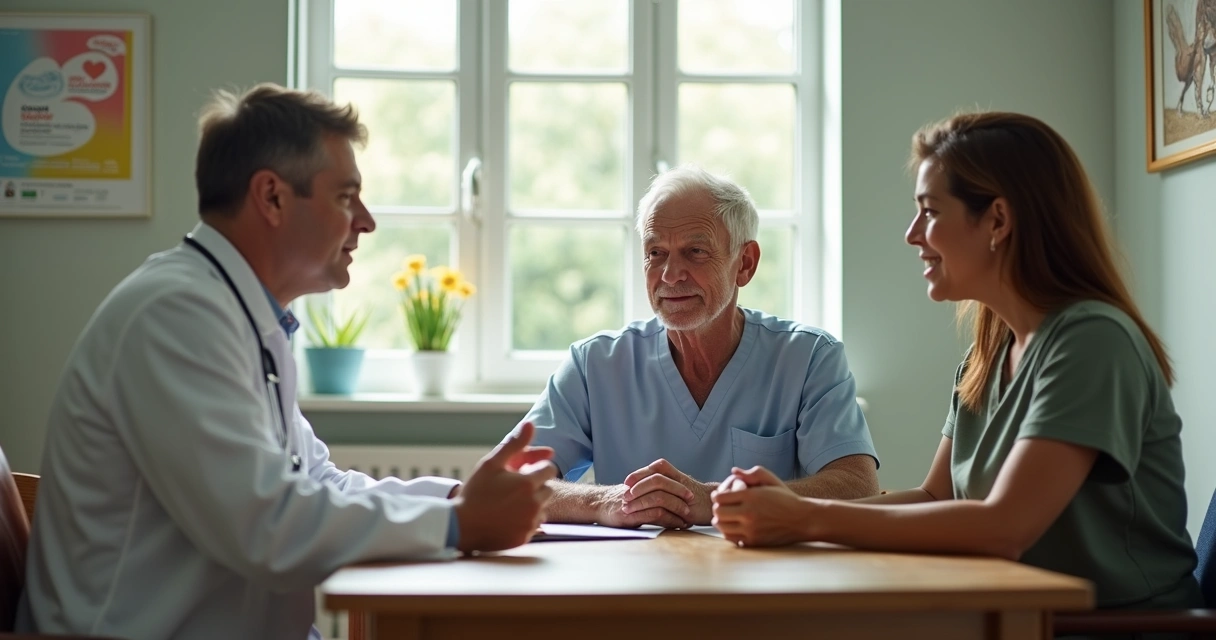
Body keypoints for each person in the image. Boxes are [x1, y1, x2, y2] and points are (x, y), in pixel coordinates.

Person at [17, 83, 557, 639]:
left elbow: (316, 483)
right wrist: (458, 523)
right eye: (346, 197)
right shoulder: (176, 315)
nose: (366, 222)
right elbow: (265, 525)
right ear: (272, 197)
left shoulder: (240, 314)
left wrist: (461, 499)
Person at [712, 111, 1202, 612]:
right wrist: (793, 508)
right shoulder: (987, 353)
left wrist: (802, 520)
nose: (912, 234)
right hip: (1014, 616)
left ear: (997, 220)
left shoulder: (1093, 342)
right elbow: (934, 498)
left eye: (929, 212)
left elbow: (1004, 527)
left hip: (1117, 627)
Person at [517, 165, 880, 530]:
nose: (671, 274)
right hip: (632, 579)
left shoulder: (810, 358)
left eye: (695, 251)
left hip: (764, 578)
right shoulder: (593, 364)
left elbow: (858, 486)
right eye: (656, 252)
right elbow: (511, 484)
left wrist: (714, 500)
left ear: (745, 264)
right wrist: (606, 501)